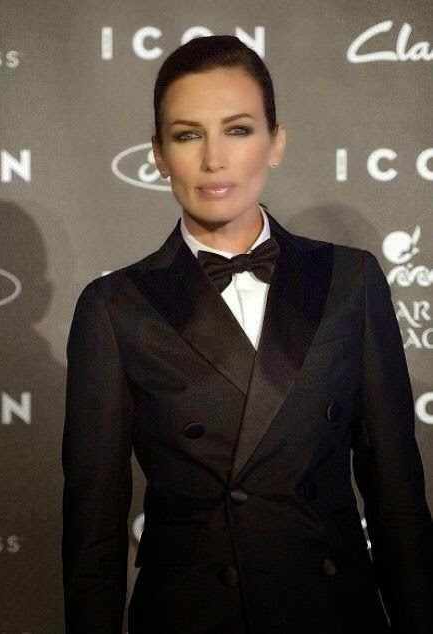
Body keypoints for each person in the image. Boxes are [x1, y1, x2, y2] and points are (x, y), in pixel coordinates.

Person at [62, 35, 433, 633]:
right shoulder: (115, 309)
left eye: (237, 130)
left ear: (275, 142)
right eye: (188, 135)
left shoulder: (351, 281)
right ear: (158, 154)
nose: (214, 160)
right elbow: (93, 535)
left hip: (334, 612)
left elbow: (397, 499)